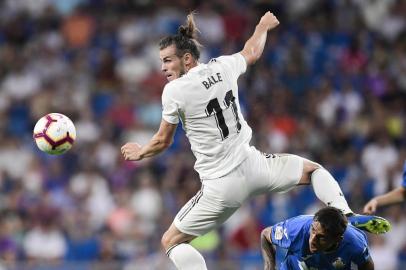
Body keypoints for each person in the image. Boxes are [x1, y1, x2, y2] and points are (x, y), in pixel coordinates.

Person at [121, 11, 389, 270]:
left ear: (187, 59)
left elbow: (163, 141)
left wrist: (140, 152)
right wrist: (262, 26)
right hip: (254, 166)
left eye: (168, 60)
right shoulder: (223, 66)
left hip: (220, 186)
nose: (164, 67)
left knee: (171, 241)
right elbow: (252, 52)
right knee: (313, 170)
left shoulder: (174, 91)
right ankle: (346, 212)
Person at [261, 207, 375, 270]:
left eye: (321, 237)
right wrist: (270, 267)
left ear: (338, 239)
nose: (312, 240)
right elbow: (265, 235)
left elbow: (367, 264)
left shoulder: (355, 244)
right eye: (313, 230)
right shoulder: (296, 229)